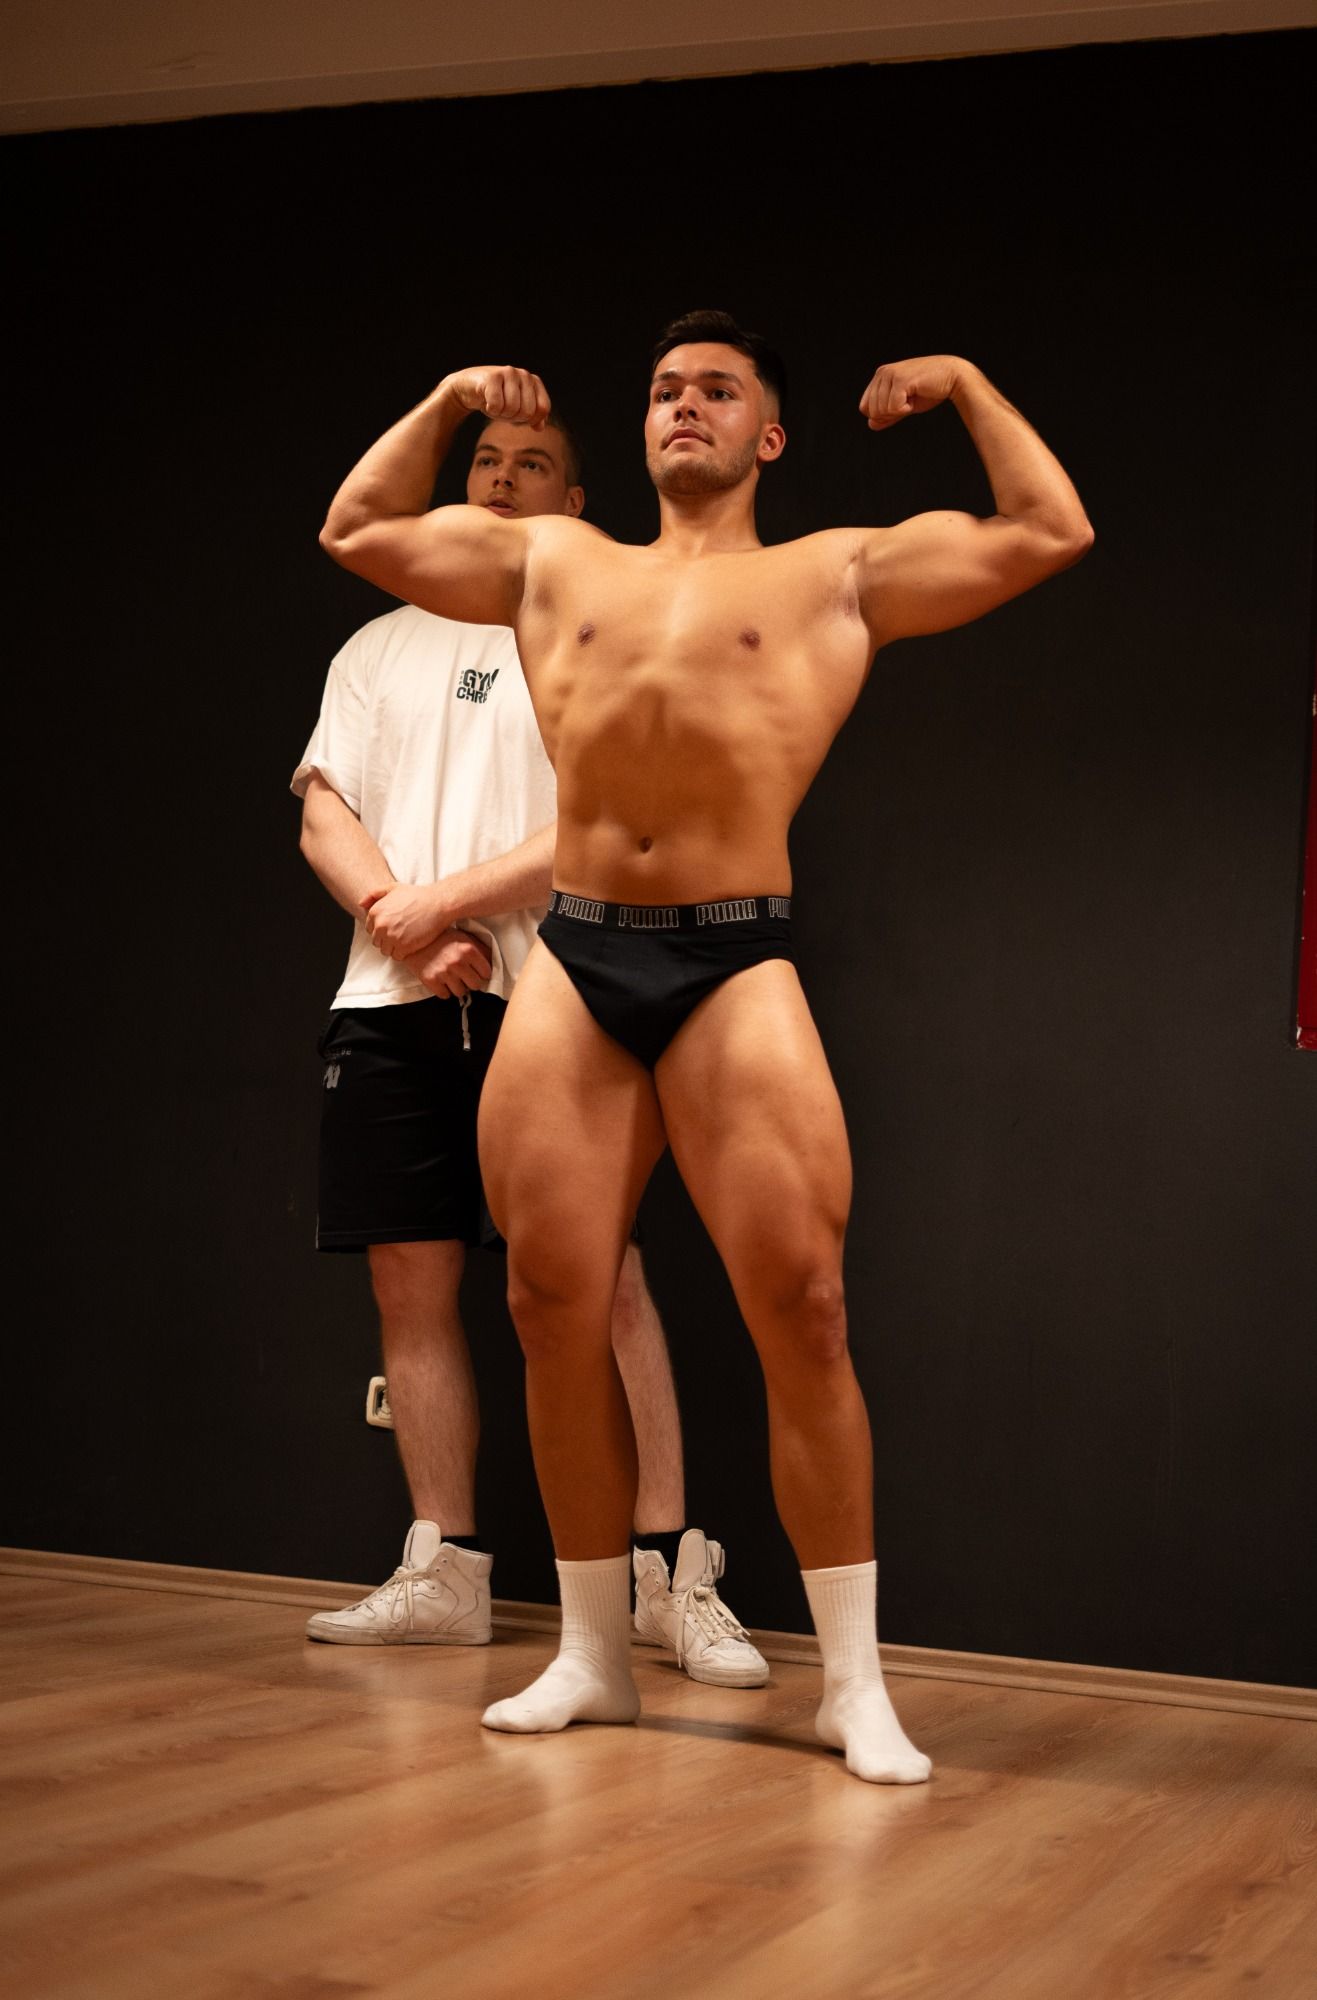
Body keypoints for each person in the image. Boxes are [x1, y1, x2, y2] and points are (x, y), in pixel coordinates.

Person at [318, 311, 1093, 1781]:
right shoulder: (556, 560)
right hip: (579, 953)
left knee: (804, 1306)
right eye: (666, 388)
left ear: (768, 434)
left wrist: (969, 384)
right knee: (549, 1303)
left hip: (733, 955)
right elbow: (356, 527)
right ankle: (592, 1655)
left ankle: (852, 1683)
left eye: (719, 391)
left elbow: (1049, 530)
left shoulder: (834, 572)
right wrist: (446, 396)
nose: (685, 405)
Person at [293, 402, 766, 1688]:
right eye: (486, 464)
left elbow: (600, 824)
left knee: (602, 1278)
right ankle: (445, 1567)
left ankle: (667, 1573)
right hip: (390, 998)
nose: (502, 482)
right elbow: (323, 812)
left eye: (532, 466)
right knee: (410, 1281)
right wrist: (397, 921)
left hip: (556, 993)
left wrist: (438, 909)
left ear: (574, 499)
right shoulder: (378, 642)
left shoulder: (599, 630)